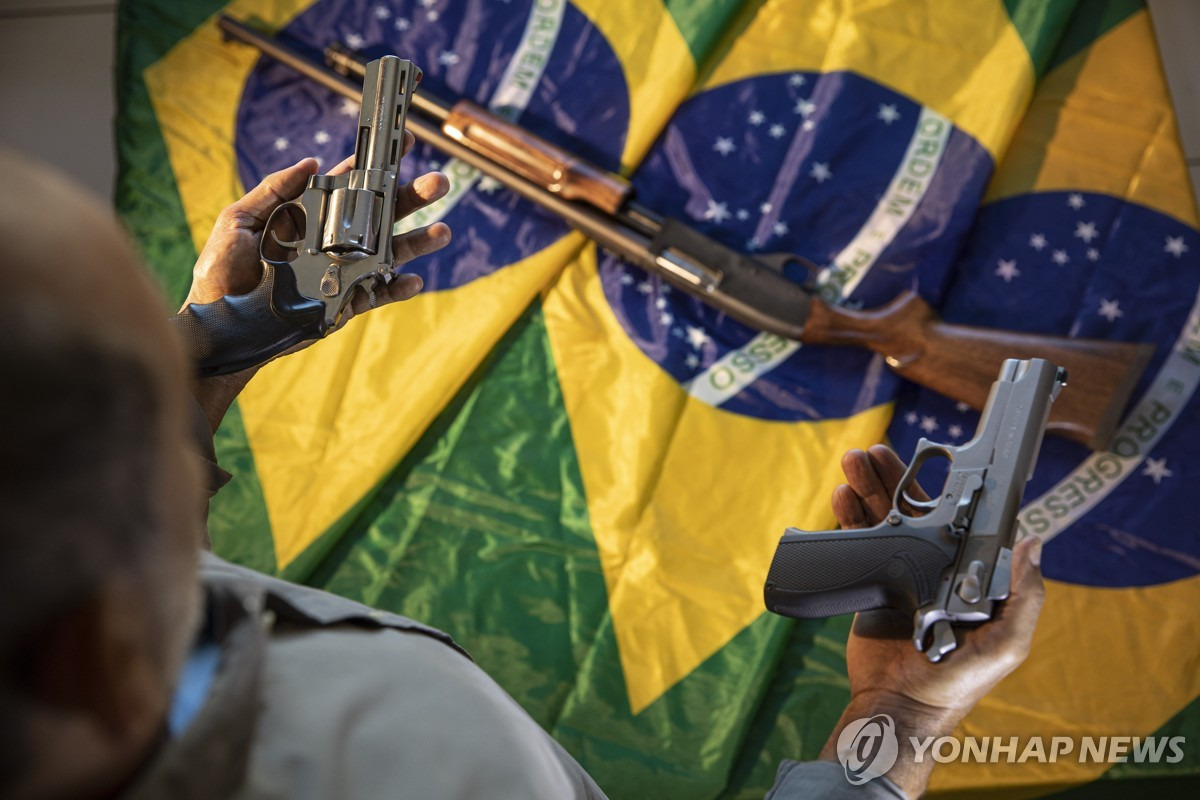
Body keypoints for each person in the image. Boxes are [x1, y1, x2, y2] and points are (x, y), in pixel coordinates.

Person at [0, 143, 1044, 800]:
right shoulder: (390, 762)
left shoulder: (88, 604)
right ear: (91, 651)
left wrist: (213, 342)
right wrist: (904, 717)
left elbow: (120, 523)